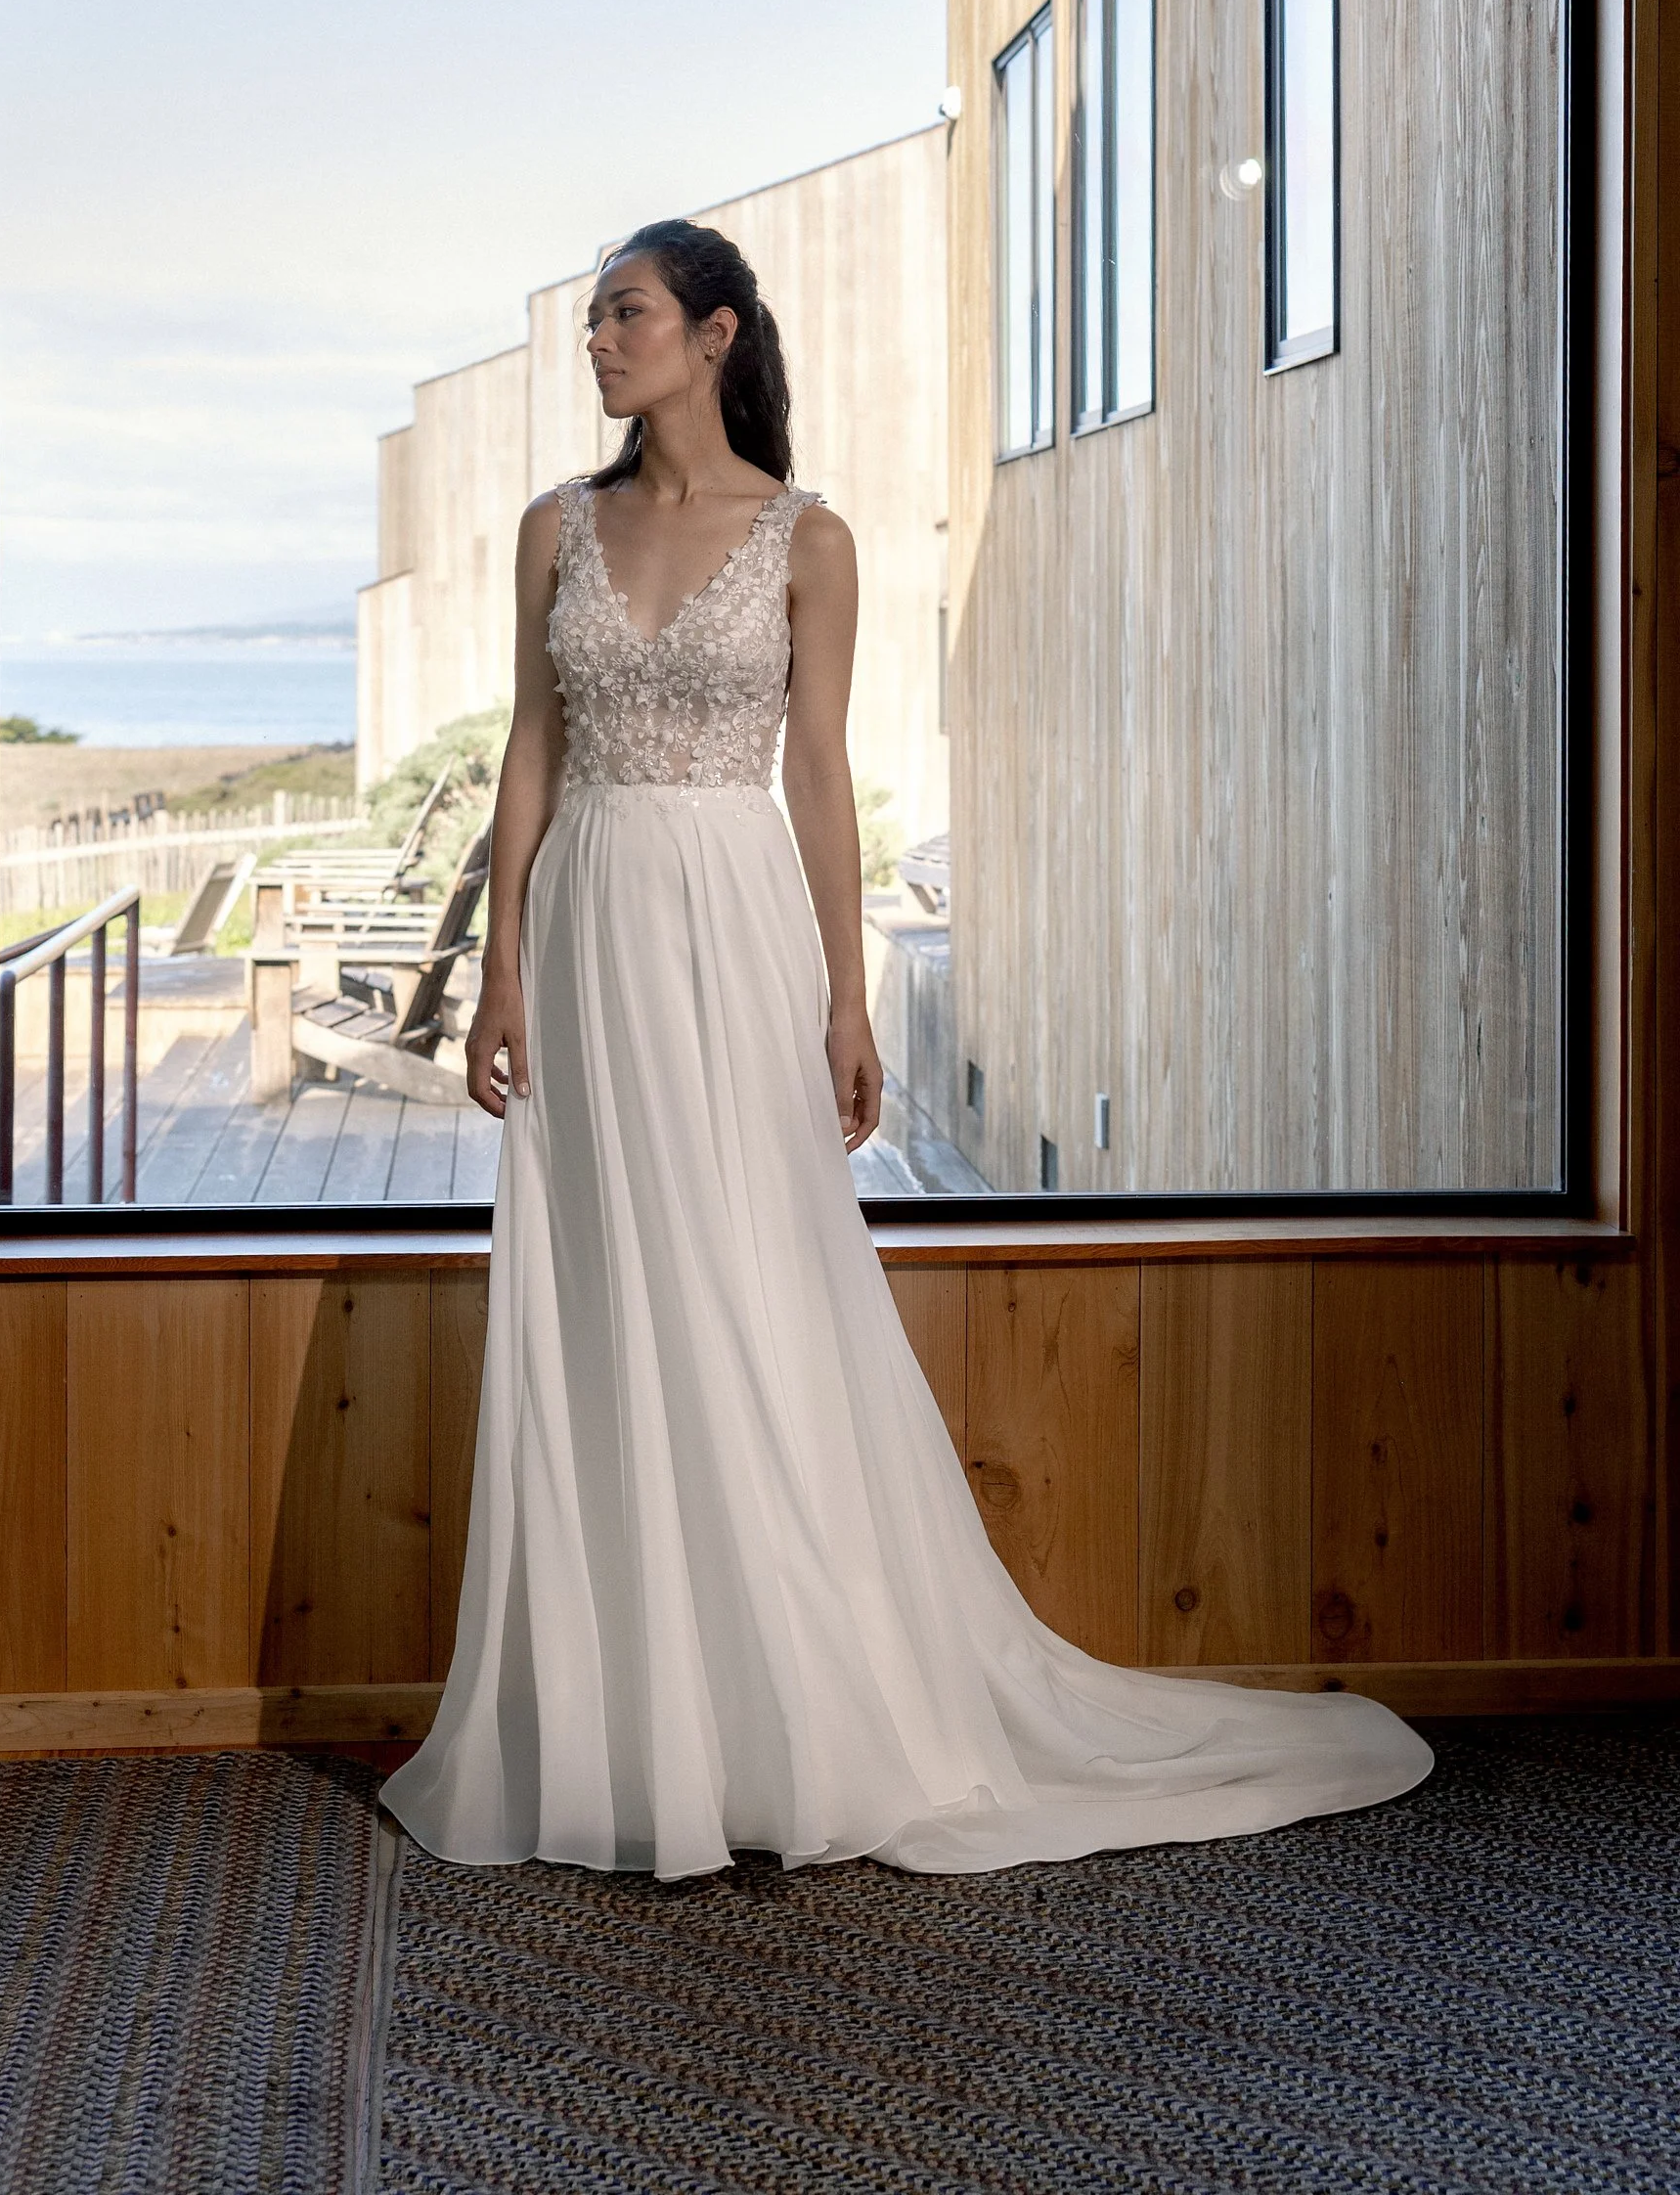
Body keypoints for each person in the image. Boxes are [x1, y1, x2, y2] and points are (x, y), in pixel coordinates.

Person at [382, 221, 1432, 1880]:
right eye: (592, 320)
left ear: (713, 334)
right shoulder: (552, 530)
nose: (597, 341)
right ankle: (624, 1730)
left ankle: (801, 1711)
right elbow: (534, 749)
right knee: (605, 1291)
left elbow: (818, 770)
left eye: (626, 315)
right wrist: (496, 968)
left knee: (751, 1283)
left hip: (732, 927)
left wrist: (849, 996)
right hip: (588, 927)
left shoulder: (807, 536)